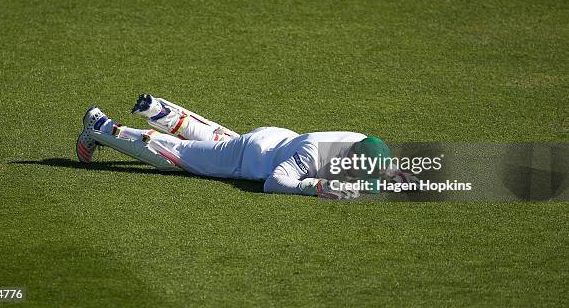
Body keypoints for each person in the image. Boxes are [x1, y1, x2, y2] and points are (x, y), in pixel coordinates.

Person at [76, 94, 413, 199]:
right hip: (251, 158)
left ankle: (158, 110)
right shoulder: (313, 155)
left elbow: (376, 162)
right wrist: (318, 187)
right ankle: (101, 127)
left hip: (273, 138)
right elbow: (274, 183)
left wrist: (396, 175)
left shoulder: (360, 142)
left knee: (219, 141)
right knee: (177, 157)